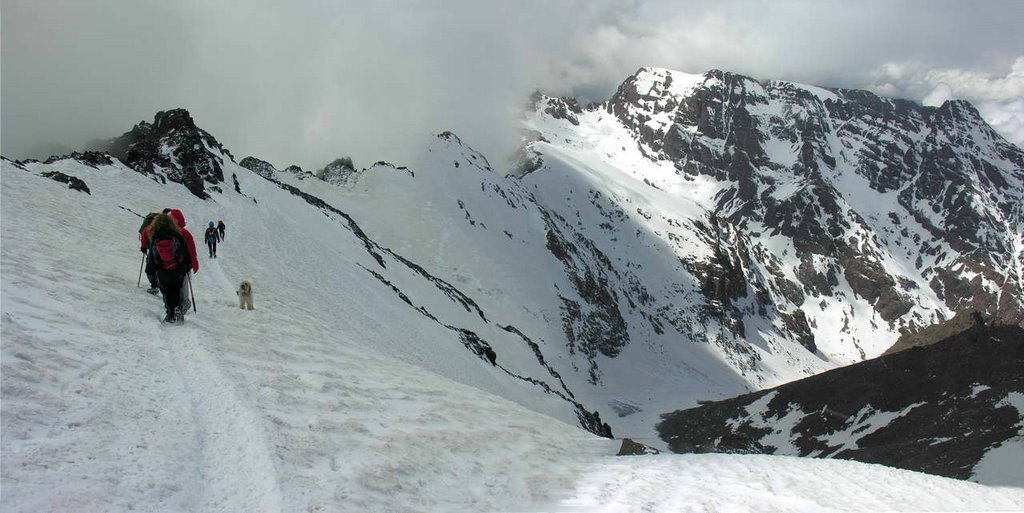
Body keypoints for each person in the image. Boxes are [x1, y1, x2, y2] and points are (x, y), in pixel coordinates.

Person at [147, 212, 198, 323]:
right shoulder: (177, 235)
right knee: (177, 289)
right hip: (177, 269)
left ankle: (170, 313)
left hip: (162, 271)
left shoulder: (155, 237)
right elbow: (185, 252)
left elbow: (152, 257)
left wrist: (151, 271)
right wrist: (188, 264)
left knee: (166, 292)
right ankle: (178, 309)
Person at [139, 208, 173, 294]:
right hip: (157, 249)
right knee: (156, 267)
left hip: (154, 248)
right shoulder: (167, 225)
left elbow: (144, 234)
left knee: (152, 267)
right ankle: (157, 285)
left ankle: (155, 285)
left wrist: (143, 246)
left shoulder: (157, 223)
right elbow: (145, 233)